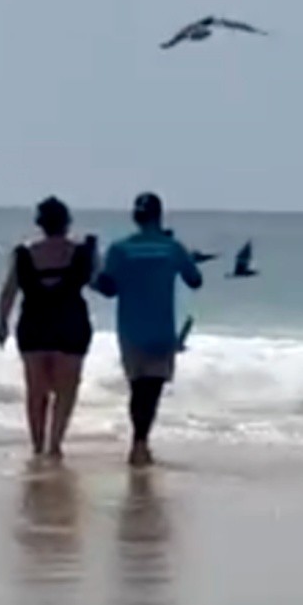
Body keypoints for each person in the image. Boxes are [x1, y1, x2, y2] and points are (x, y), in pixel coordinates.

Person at [94, 193, 202, 466]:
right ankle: (141, 442)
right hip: (162, 330)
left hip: (130, 330)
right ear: (159, 216)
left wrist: (90, 271)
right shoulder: (172, 247)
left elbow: (108, 290)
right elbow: (195, 281)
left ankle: (138, 443)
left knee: (136, 388)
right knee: (152, 391)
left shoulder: (120, 249)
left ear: (135, 217)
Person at [0, 197, 95, 461]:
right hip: (71, 323)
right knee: (66, 389)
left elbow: (9, 292)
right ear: (67, 222)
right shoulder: (82, 252)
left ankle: (38, 444)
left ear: (40, 224)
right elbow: (97, 281)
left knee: (35, 389)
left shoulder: (23, 254)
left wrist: (2, 323)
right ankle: (55, 443)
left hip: (34, 325)